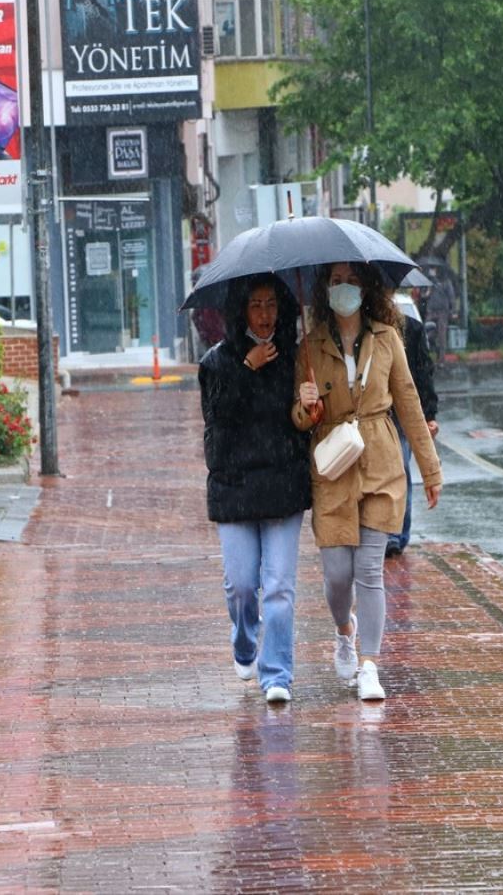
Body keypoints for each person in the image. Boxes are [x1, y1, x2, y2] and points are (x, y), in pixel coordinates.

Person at [293, 262, 443, 701]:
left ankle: (369, 665)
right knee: (338, 574)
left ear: (367, 288)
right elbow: (298, 419)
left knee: (370, 570)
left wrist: (430, 469)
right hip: (334, 467)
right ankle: (344, 629)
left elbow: (410, 404)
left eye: (353, 281)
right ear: (324, 288)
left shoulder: (387, 337)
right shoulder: (311, 345)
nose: (345, 289)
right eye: (337, 281)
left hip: (380, 460)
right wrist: (305, 407)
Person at [199, 274, 312, 704]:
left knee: (280, 586)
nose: (264, 315)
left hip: (283, 485)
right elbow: (219, 423)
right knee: (242, 585)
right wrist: (248, 368)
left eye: (271, 305)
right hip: (235, 489)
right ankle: (244, 642)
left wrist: (309, 406)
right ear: (241, 311)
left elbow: (301, 425)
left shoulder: (296, 358)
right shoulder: (217, 362)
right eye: (255, 306)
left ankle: (277, 672)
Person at [385, 299, 438, 557]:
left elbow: (421, 375)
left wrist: (429, 414)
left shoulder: (412, 331)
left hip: (401, 414)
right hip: (371, 413)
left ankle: (396, 533)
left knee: (400, 469)